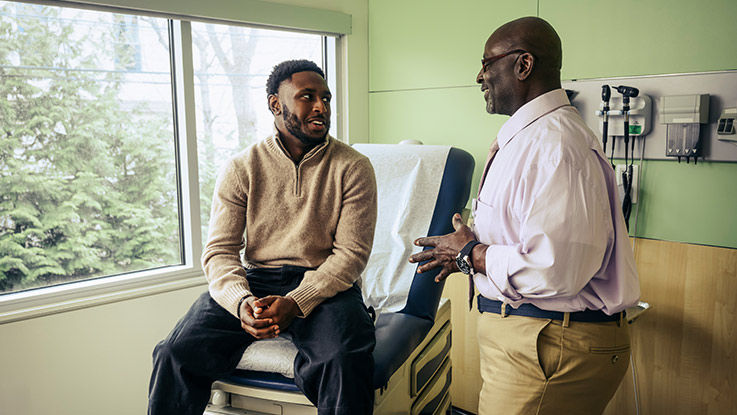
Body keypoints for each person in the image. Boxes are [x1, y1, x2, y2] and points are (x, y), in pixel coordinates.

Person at [409, 17, 640, 414]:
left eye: (487, 63)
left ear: (523, 65)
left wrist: (474, 254)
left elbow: (556, 268)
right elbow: (526, 235)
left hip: (550, 346)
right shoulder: (530, 139)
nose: (479, 76)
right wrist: (465, 250)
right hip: (536, 341)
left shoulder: (556, 145)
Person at [148, 60, 378, 415]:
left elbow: (351, 255)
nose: (321, 107)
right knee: (173, 355)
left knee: (343, 361)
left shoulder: (353, 167)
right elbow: (220, 252)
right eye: (307, 97)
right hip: (255, 281)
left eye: (326, 98)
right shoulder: (242, 168)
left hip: (327, 286)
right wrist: (242, 303)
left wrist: (297, 302)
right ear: (276, 104)